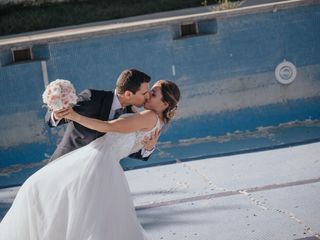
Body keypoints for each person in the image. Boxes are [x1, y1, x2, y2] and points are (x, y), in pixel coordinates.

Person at [0, 80, 180, 240]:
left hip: (95, 163)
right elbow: (134, 138)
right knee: (80, 215)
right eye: (146, 91)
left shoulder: (147, 116)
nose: (148, 95)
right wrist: (59, 110)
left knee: (47, 196)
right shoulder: (149, 117)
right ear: (128, 93)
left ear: (164, 104)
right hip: (90, 161)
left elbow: (108, 126)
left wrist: (75, 116)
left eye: (153, 93)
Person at [45, 68, 160, 162]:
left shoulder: (132, 116)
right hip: (66, 161)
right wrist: (56, 113)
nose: (148, 96)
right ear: (128, 94)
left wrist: (149, 148)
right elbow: (53, 120)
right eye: (144, 93)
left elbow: (128, 148)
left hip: (95, 172)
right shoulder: (92, 98)